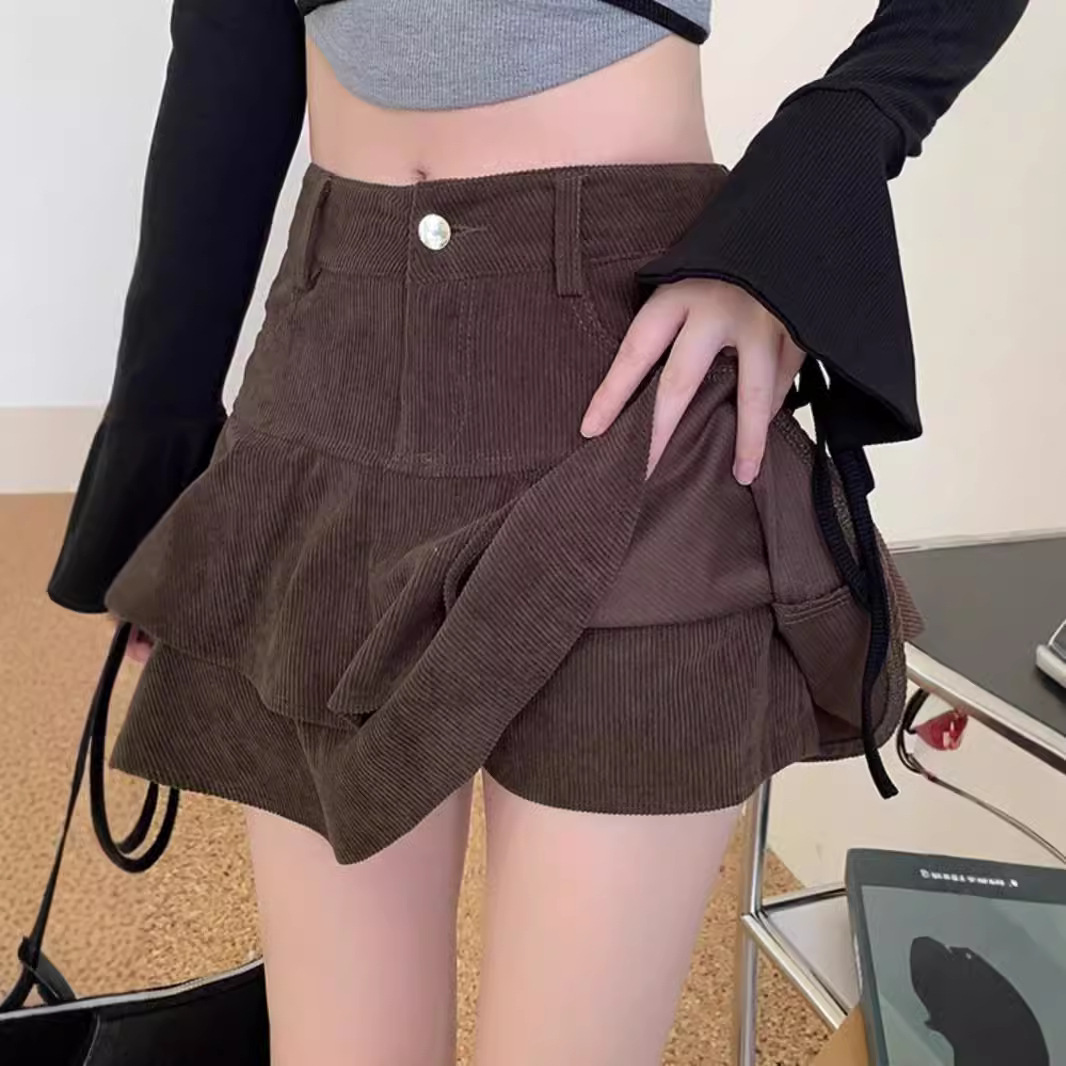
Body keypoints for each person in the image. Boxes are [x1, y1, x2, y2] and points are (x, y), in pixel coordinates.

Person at [46, 1, 1027, 1062]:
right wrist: (155, 465)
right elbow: (226, 44)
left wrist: (810, 178)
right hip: (331, 370)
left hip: (626, 373)